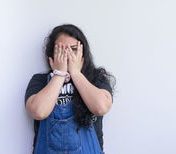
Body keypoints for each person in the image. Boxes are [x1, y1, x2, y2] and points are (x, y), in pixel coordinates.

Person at [24, 24, 116, 154]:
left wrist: (76, 73)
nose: (67, 55)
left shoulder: (96, 79)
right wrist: (59, 74)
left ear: (82, 54)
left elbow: (101, 107)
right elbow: (38, 111)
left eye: (73, 49)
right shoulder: (40, 80)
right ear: (52, 55)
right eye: (61, 50)